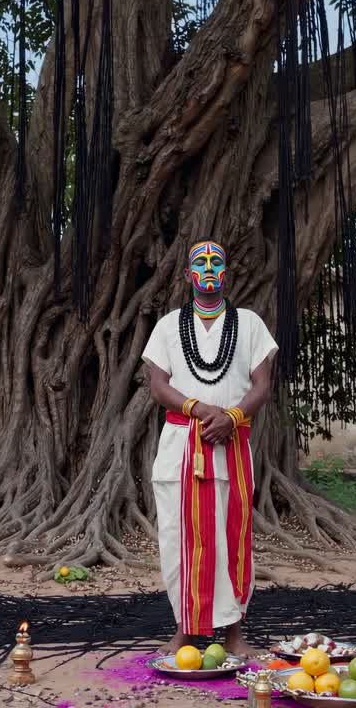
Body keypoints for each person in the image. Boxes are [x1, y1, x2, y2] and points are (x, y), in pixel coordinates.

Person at [141, 239, 277, 658]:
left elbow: (262, 385)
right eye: (199, 263)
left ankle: (233, 632)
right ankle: (187, 628)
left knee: (231, 537)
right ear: (186, 275)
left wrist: (232, 417)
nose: (208, 268)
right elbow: (158, 385)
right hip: (181, 445)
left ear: (227, 273)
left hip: (231, 446)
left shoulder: (250, 324)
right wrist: (198, 409)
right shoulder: (166, 326)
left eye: (216, 261)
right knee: (179, 538)